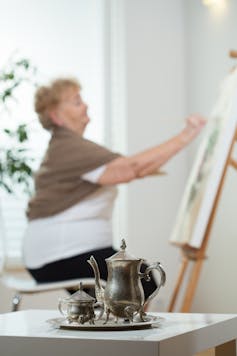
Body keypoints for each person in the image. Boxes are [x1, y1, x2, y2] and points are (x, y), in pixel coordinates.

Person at [23, 78, 206, 300]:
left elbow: (134, 168)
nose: (86, 105)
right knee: (141, 280)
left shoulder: (68, 147)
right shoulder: (69, 147)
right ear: (55, 115)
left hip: (57, 254)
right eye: (76, 101)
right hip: (58, 256)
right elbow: (132, 168)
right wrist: (187, 134)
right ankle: (130, 334)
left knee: (119, 295)